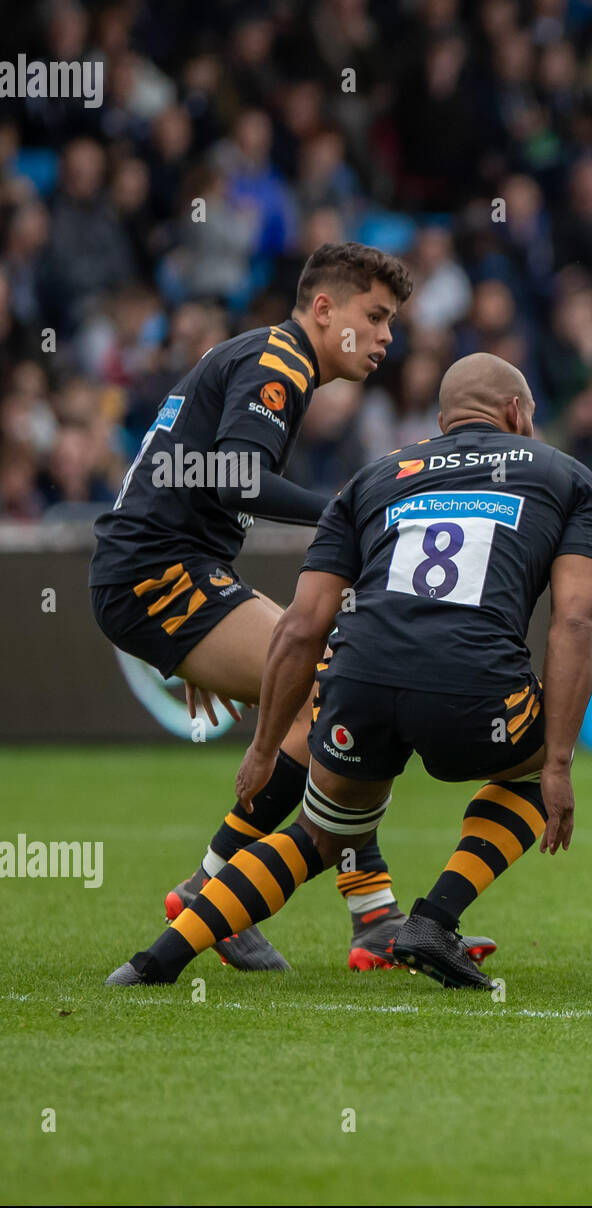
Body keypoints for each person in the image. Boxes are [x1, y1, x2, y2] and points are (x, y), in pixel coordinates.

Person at [107, 354, 592, 989]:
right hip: (474, 689)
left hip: (358, 683)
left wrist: (264, 749)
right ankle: (435, 919)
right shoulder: (568, 477)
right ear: (517, 414)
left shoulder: (373, 477)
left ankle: (153, 963)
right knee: (535, 772)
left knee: (318, 835)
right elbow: (576, 623)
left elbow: (301, 625)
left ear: (443, 420)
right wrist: (561, 760)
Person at [90, 242, 421, 972]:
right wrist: (349, 507)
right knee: (339, 687)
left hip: (174, 573)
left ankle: (368, 913)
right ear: (324, 309)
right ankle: (225, 897)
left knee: (343, 693)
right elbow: (240, 480)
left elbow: (204, 481)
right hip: (159, 577)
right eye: (375, 316)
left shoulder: (266, 358)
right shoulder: (280, 362)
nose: (387, 336)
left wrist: (216, 622)